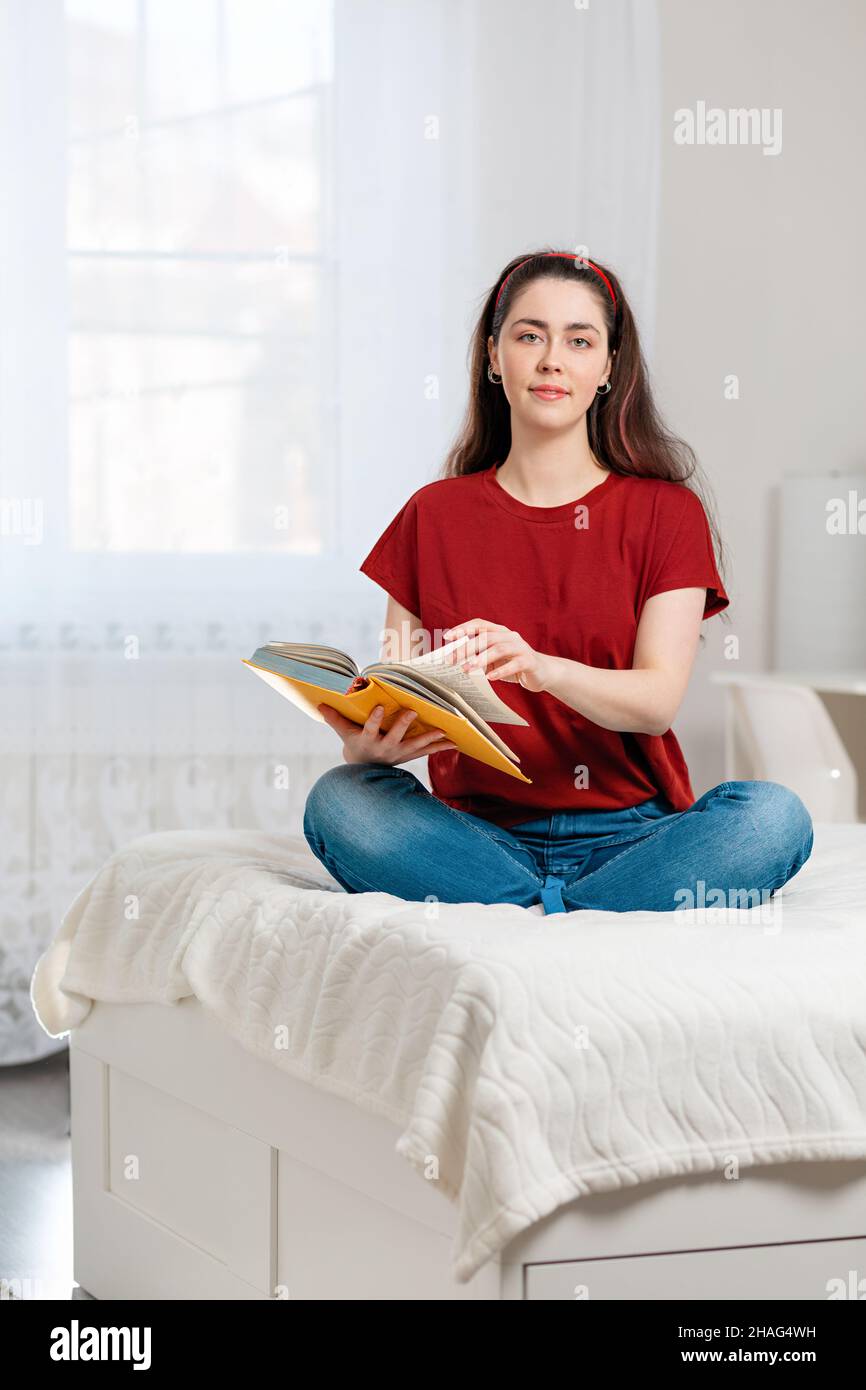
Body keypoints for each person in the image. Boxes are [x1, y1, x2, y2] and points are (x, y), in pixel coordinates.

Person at [303, 249, 814, 914]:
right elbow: (400, 687)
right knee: (340, 799)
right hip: (475, 833)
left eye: (579, 340)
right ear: (494, 358)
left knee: (774, 817)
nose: (552, 360)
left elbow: (657, 701)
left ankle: (530, 906)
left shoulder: (666, 512)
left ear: (606, 368)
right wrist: (365, 745)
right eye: (529, 335)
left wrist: (543, 669)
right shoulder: (433, 514)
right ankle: (582, 907)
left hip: (635, 833)